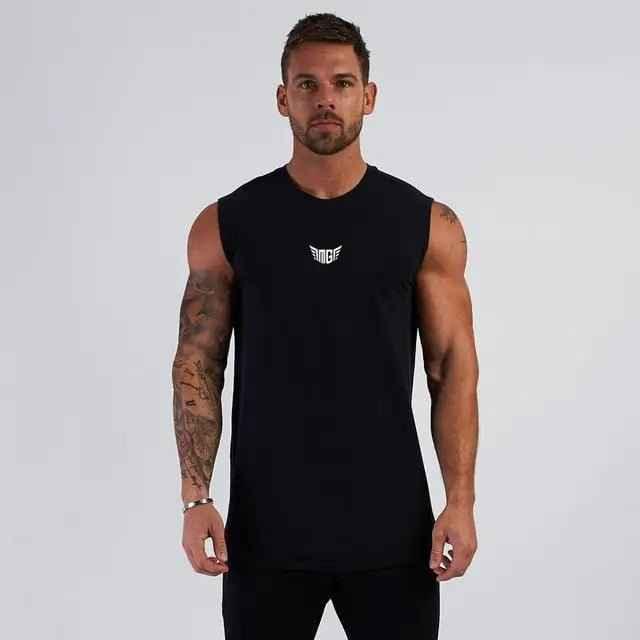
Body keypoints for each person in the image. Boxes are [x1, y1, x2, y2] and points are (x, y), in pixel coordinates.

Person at [171, 12, 479, 640]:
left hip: (393, 532)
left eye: (342, 83)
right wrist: (196, 498)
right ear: (283, 99)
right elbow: (197, 365)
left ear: (369, 96)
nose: (325, 99)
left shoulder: (425, 225)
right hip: (266, 534)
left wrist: (461, 501)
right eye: (307, 84)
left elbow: (452, 370)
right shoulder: (226, 225)